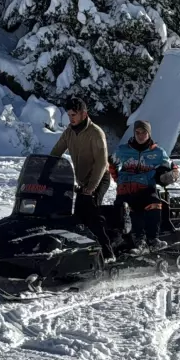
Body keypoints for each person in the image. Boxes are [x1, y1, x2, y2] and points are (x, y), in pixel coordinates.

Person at [50, 97, 114, 262]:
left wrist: (91, 187)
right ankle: (82, 252)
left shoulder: (95, 133)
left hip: (99, 178)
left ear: (84, 114)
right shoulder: (69, 132)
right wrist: (46, 170)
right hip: (83, 181)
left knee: (91, 210)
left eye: (74, 115)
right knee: (78, 216)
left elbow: (101, 162)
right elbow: (56, 152)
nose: (71, 118)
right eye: (69, 115)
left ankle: (108, 253)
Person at [111, 120, 172, 251]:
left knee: (154, 202)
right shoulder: (123, 150)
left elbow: (169, 165)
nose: (140, 135)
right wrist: (118, 179)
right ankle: (136, 240)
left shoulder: (158, 152)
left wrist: (168, 175)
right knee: (126, 209)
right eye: (137, 132)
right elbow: (111, 163)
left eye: (143, 132)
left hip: (146, 189)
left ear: (149, 134)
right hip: (126, 189)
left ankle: (152, 239)